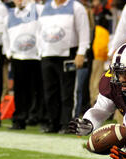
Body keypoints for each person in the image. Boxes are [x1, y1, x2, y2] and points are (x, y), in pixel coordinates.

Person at [68, 42, 126, 136]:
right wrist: (89, 123)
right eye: (119, 73)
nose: (121, 79)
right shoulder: (112, 83)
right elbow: (101, 109)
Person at [38, 0, 91, 134]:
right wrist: (40, 51)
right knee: (50, 91)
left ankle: (69, 124)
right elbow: (39, 31)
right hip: (48, 54)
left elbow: (84, 31)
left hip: (68, 54)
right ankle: (53, 123)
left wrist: (81, 53)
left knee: (68, 91)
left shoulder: (76, 7)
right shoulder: (46, 7)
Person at [2, 0, 43, 130]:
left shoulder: (38, 9)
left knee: (38, 89)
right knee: (19, 90)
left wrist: (41, 50)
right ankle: (19, 119)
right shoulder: (9, 15)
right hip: (17, 57)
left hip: (35, 56)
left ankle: (37, 116)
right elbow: (5, 35)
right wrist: (8, 52)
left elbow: (43, 29)